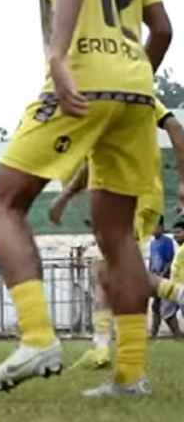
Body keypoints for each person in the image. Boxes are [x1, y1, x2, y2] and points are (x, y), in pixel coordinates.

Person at [0, 0, 173, 398]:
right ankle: (130, 377)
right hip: (136, 89)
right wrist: (131, 79)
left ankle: (37, 338)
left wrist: (59, 56)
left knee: (4, 202)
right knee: (119, 239)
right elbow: (162, 30)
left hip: (83, 77)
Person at [50, 100, 184, 366]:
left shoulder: (120, 93)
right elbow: (92, 164)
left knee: (121, 272)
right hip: (128, 196)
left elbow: (174, 127)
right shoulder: (110, 98)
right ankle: (101, 348)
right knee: (104, 272)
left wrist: (183, 179)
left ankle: (178, 296)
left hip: (129, 197)